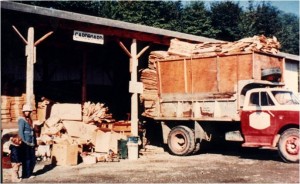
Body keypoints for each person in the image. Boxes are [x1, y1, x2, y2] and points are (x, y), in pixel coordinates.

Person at [18, 104, 37, 179]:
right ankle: (26, 174)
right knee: (27, 159)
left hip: (31, 142)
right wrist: (23, 141)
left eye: (28, 111)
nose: (27, 113)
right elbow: (20, 132)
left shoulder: (29, 120)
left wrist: (34, 143)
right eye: (25, 111)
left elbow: (32, 132)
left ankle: (29, 172)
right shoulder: (21, 120)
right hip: (25, 143)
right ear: (23, 112)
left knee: (32, 159)